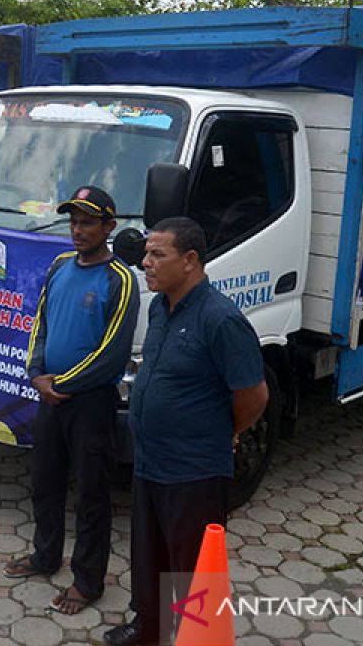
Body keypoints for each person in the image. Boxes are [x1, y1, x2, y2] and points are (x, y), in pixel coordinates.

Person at [103, 217, 269, 646]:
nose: (146, 263)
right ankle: (149, 627)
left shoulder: (221, 320)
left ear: (191, 261)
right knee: (149, 554)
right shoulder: (161, 306)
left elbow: (254, 395)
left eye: (158, 254)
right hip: (150, 460)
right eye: (146, 253)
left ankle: (193, 637)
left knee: (191, 567)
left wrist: (223, 431)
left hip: (194, 470)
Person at [1, 186, 139, 614]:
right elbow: (39, 322)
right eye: (74, 222)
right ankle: (45, 557)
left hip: (90, 403)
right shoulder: (61, 265)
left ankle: (88, 581)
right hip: (50, 398)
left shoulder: (121, 279)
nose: (78, 230)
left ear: (109, 227)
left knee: (92, 495)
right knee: (45, 481)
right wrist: (36, 374)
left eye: (88, 223)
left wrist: (62, 385)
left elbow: (112, 352)